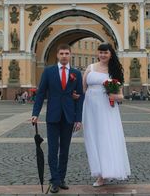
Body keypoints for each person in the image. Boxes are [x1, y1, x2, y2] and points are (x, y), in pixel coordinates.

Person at [32, 44, 84, 193]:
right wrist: (35, 113)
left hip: (69, 116)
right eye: (61, 53)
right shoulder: (48, 71)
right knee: (53, 149)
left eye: (67, 53)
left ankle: (61, 178)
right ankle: (54, 180)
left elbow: (80, 97)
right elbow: (41, 93)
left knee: (65, 150)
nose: (64, 56)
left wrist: (78, 118)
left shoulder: (76, 73)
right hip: (53, 116)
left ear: (70, 55)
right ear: (57, 55)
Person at [82, 43, 130, 187]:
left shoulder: (114, 71)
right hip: (90, 108)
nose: (103, 55)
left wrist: (112, 95)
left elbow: (121, 96)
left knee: (105, 138)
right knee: (93, 138)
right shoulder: (90, 68)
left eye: (106, 52)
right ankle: (99, 171)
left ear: (111, 54)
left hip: (107, 109)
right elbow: (84, 88)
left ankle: (104, 175)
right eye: (101, 52)